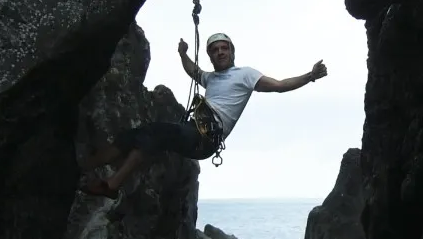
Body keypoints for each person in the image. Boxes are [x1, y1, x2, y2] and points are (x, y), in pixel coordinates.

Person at [80, 32, 328, 198]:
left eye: (224, 48)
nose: (220, 52)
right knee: (138, 136)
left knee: (154, 132)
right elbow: (193, 71)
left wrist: (310, 76)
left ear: (232, 51)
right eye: (214, 50)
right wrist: (182, 53)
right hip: (193, 132)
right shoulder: (211, 79)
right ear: (210, 55)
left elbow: (279, 85)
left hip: (205, 138)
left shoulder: (246, 75)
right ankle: (88, 169)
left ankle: (110, 182)